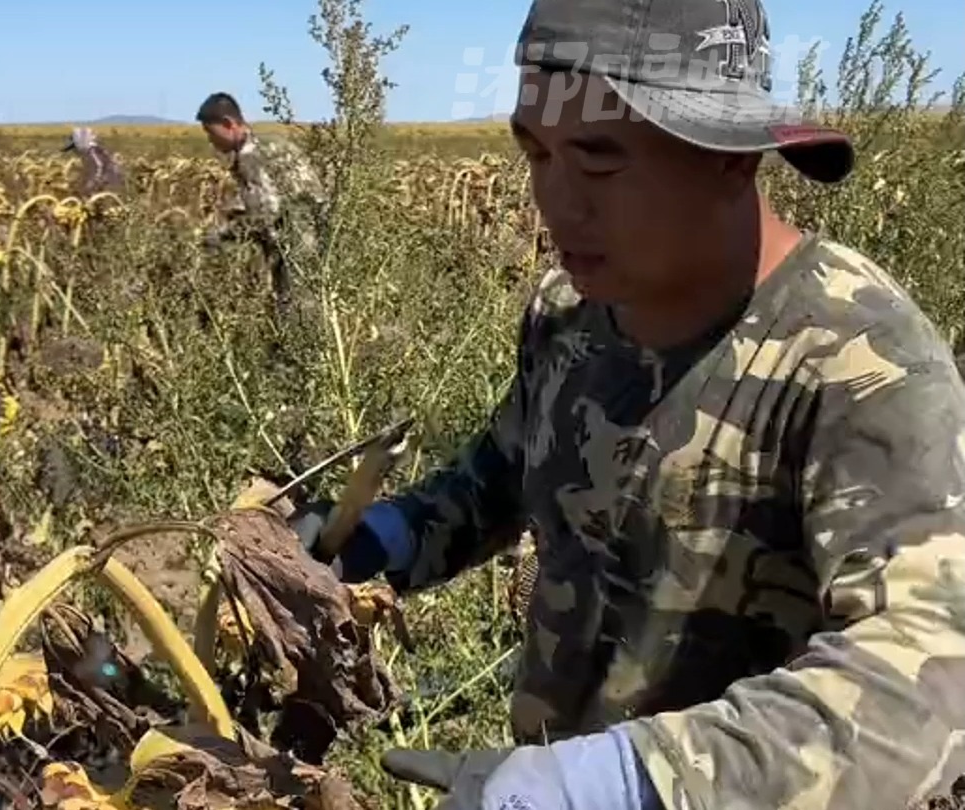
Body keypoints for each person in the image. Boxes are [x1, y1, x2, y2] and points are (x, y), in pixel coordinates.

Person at [292, 0, 965, 807]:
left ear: (731, 158)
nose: (558, 203)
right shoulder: (570, 314)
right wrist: (377, 541)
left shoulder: (858, 362)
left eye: (600, 161)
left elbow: (923, 672)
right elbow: (502, 477)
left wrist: (619, 782)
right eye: (536, 154)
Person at [195, 92, 328, 306]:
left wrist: (218, 239)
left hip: (295, 251)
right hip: (314, 243)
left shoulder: (250, 156)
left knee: (296, 317)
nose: (210, 140)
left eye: (210, 132)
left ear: (229, 124)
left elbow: (264, 214)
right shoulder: (270, 143)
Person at [61, 126, 124, 197]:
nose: (74, 151)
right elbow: (89, 170)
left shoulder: (92, 151)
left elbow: (98, 167)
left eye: (74, 147)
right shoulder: (90, 151)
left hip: (109, 180)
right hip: (106, 178)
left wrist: (89, 185)